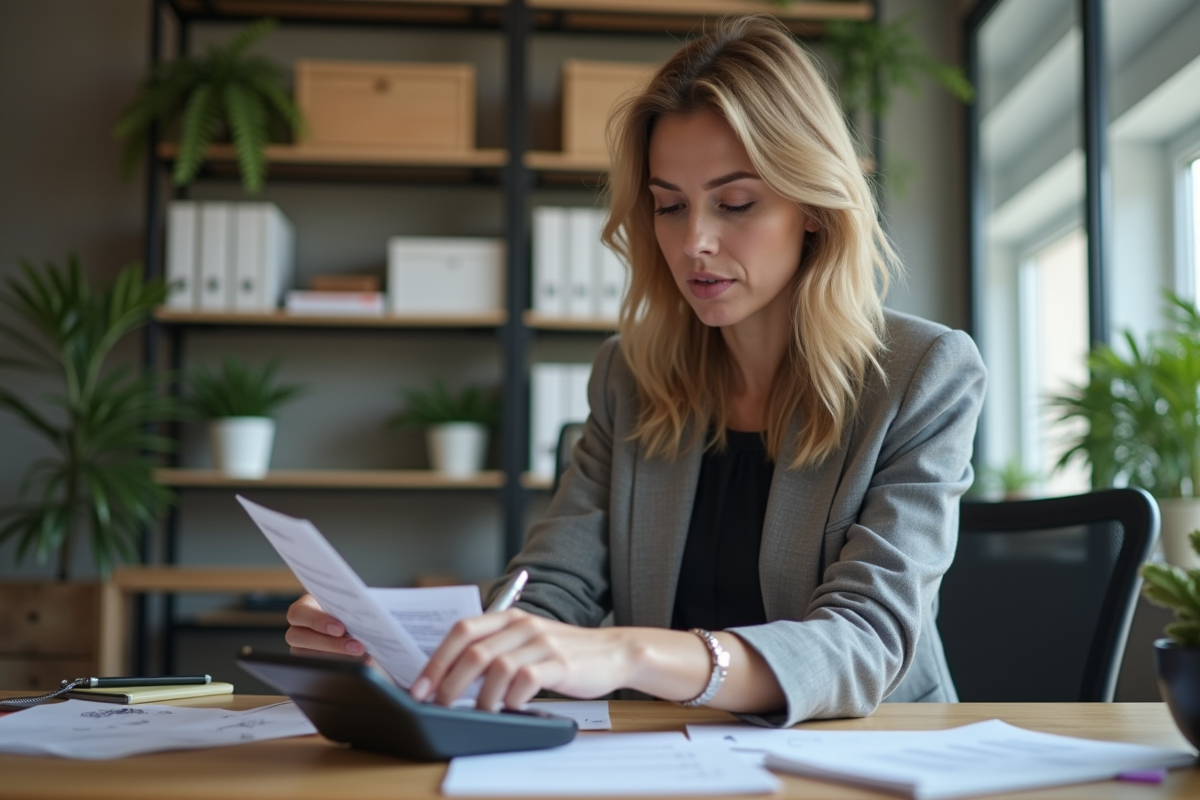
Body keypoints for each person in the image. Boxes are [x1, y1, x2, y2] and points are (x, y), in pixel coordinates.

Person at [286, 15, 986, 728]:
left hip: (869, 748)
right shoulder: (629, 376)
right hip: (667, 752)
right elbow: (551, 593)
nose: (694, 241)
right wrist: (412, 651)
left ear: (812, 206)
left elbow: (864, 641)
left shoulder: (923, 375)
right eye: (669, 206)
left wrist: (629, 652)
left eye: (735, 203)